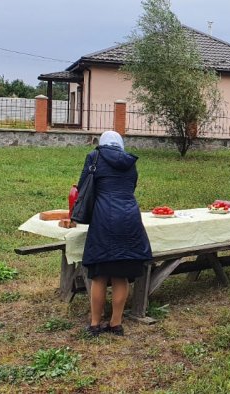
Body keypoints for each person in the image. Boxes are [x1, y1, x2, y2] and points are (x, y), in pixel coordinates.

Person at [77, 131, 152, 336]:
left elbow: (84, 185)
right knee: (121, 275)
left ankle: (95, 324)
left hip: (103, 218)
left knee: (100, 275)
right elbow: (131, 186)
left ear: (102, 143)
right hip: (130, 218)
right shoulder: (130, 161)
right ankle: (116, 323)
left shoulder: (95, 157)